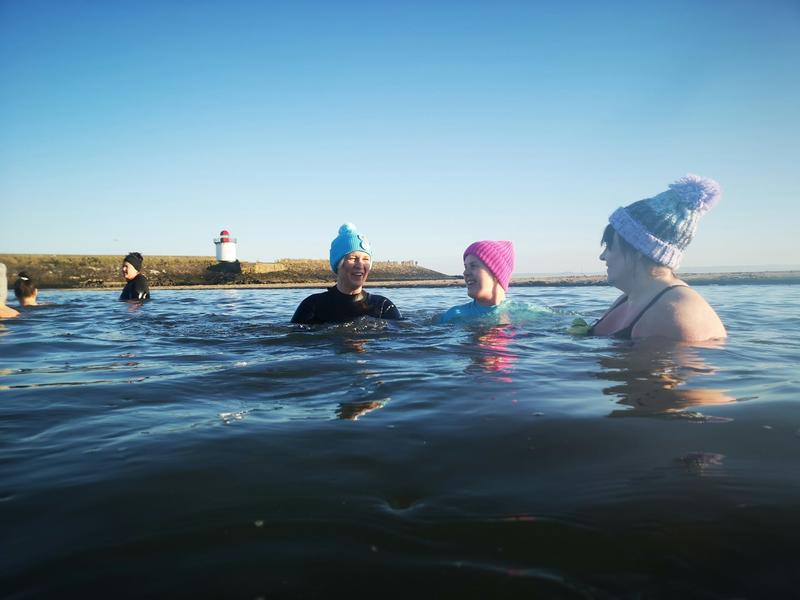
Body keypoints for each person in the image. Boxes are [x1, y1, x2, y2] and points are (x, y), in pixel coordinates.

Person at [587, 174, 726, 342]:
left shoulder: (673, 314)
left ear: (638, 249)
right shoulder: (634, 297)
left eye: (609, 246)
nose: (602, 256)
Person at [291, 223, 401, 324]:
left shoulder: (383, 306)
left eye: (366, 259)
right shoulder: (312, 306)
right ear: (338, 264)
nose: (360, 265)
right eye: (353, 258)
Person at [440, 240, 515, 323]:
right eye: (465, 267)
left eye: (473, 266)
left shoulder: (526, 313)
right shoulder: (455, 315)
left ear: (497, 273)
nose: (465, 273)